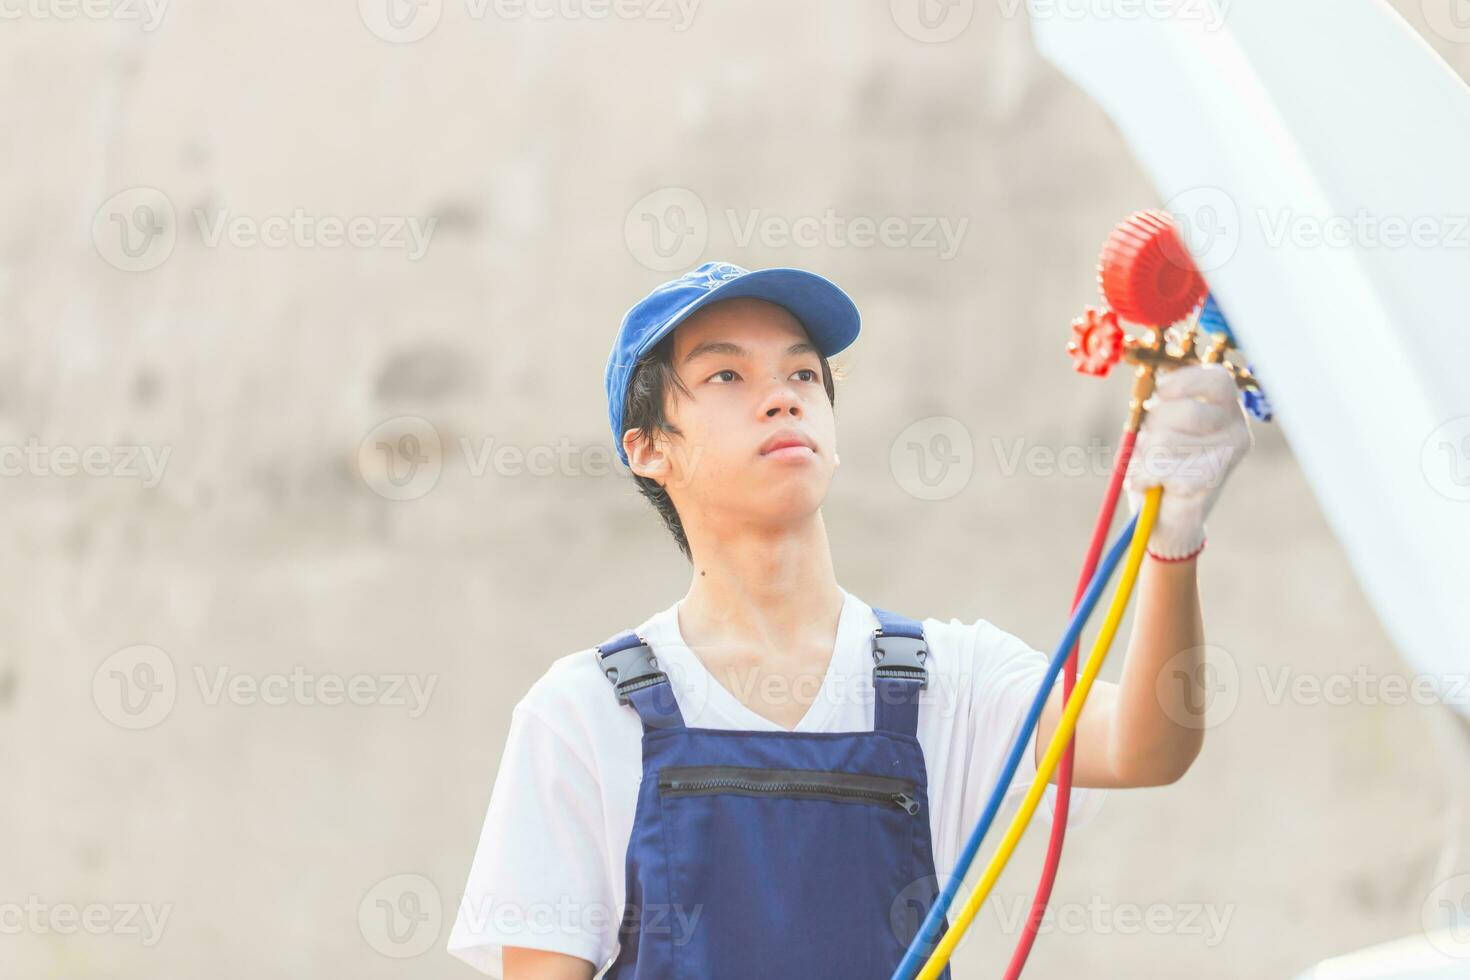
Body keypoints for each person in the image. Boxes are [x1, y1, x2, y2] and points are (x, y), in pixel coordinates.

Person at [447, 261, 1253, 979]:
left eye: (803, 374)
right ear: (649, 448)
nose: (780, 397)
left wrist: (1171, 539)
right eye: (727, 377)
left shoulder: (945, 678)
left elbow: (1150, 743)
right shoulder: (587, 711)